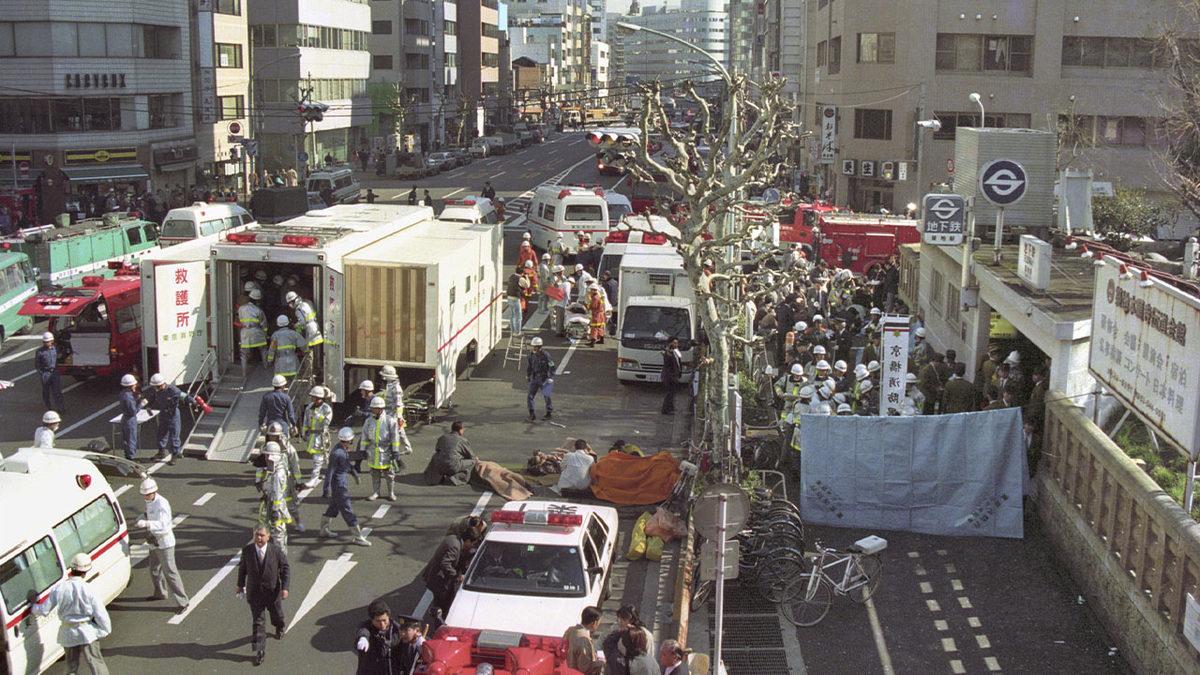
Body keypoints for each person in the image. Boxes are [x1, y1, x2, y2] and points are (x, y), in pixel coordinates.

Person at [32, 553, 112, 674]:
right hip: (87, 632)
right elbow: (100, 613)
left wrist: (33, 606)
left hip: (67, 633)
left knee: (71, 667)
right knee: (96, 663)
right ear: (85, 572)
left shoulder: (59, 588)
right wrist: (105, 630)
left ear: (71, 569)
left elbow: (43, 610)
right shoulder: (88, 589)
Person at [236, 526, 290, 667]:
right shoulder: (247, 550)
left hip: (272, 592)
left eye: (262, 535)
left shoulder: (275, 551)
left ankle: (279, 626)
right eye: (256, 535)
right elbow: (243, 569)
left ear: (268, 536)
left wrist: (285, 588)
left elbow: (285, 568)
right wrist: (240, 585)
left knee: (277, 614)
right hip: (255, 593)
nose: (259, 538)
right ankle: (260, 650)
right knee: (258, 622)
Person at [136, 478, 189, 610]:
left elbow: (164, 525)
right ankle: (160, 593)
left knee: (170, 572)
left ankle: (183, 602)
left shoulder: (162, 504)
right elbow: (150, 513)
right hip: (154, 541)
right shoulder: (150, 501)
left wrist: (147, 523)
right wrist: (143, 516)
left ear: (154, 492)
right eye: (144, 495)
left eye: (147, 495)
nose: (145, 497)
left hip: (164, 543)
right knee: (154, 569)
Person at [421, 521, 483, 626]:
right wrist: (457, 576)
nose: (472, 546)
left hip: (436, 578)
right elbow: (445, 564)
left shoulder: (453, 538)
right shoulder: (455, 547)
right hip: (439, 581)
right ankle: (440, 625)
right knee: (443, 605)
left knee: (441, 603)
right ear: (468, 540)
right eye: (472, 543)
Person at [321, 427, 371, 546]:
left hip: (341, 484)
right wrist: (325, 489)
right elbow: (329, 472)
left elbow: (347, 464)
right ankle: (358, 536)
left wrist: (355, 474)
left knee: (333, 507)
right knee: (347, 509)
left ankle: (323, 530)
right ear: (350, 440)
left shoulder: (341, 449)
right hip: (339, 486)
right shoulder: (337, 453)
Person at [145, 373, 198, 465]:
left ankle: (175, 454)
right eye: (154, 387)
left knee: (174, 435)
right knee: (161, 433)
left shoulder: (173, 390)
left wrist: (193, 401)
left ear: (162, 384)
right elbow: (153, 397)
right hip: (163, 414)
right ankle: (161, 452)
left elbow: (184, 396)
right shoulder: (156, 390)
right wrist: (149, 405)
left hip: (173, 415)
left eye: (157, 387)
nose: (155, 388)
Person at [363, 396, 402, 501]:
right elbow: (364, 436)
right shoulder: (369, 421)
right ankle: (376, 493)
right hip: (373, 451)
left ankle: (391, 493)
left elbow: (395, 437)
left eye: (374, 408)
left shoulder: (390, 420)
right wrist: (362, 449)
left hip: (386, 451)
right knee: (374, 473)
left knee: (389, 474)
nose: (372, 410)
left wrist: (395, 451)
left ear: (380, 409)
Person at [354, 600, 409, 674]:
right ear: (372, 620)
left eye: (384, 620)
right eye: (378, 621)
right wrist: (363, 638)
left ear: (388, 617)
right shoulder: (366, 627)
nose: (382, 624)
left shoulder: (397, 630)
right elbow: (363, 631)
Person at [258, 442, 293, 552]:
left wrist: (275, 510)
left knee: (278, 533)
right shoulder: (274, 468)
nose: (266, 458)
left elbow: (277, 494)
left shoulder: (278, 474)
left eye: (267, 455)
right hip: (270, 503)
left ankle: (281, 556)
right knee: (271, 531)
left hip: (276, 507)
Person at [423, 420, 477, 485]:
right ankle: (457, 479)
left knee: (435, 456)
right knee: (473, 462)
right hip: (453, 466)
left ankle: (433, 477)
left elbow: (437, 449)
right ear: (460, 430)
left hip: (440, 465)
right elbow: (471, 456)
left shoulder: (442, 438)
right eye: (463, 429)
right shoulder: (462, 440)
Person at [301, 386, 334, 487]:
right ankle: (329, 474)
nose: (311, 398)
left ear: (319, 397)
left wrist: (319, 416)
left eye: (313, 396)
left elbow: (327, 422)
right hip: (312, 437)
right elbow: (306, 421)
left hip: (321, 436)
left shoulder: (326, 408)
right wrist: (304, 432)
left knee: (318, 459)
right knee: (321, 458)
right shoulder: (309, 407)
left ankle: (314, 479)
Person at [379, 365, 415, 455]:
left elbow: (399, 404)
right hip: (388, 412)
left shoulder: (396, 388)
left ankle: (400, 449)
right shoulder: (390, 385)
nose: (383, 378)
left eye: (384, 375)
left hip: (393, 413)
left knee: (396, 431)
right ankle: (407, 448)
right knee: (399, 431)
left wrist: (399, 417)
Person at [563, 606, 604, 675]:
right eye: (599, 622)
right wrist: (600, 662)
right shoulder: (584, 640)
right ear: (594, 623)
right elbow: (584, 667)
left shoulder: (571, 630)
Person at [238, 290, 269, 377]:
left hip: (245, 333)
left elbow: (240, 320)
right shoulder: (259, 310)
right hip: (257, 332)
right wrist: (265, 335)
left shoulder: (241, 308)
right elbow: (264, 324)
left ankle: (244, 373)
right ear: (257, 300)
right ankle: (266, 366)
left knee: (244, 354)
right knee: (263, 350)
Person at [526, 336, 555, 421]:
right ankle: (532, 414)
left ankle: (549, 413)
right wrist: (528, 375)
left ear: (539, 347)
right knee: (530, 396)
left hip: (544, 378)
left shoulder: (546, 355)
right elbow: (529, 366)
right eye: (532, 346)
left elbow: (552, 366)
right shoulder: (531, 355)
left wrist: (551, 377)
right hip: (535, 378)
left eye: (534, 346)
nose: (533, 348)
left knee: (547, 396)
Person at [35, 331, 64, 411]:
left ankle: (60, 407)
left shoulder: (56, 349)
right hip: (46, 373)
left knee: (57, 391)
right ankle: (47, 407)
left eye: (48, 341)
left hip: (55, 372)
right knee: (46, 392)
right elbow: (37, 364)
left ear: (52, 341)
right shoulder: (40, 352)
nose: (46, 343)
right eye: (45, 342)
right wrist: (42, 374)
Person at [661, 337, 683, 415]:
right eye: (674, 343)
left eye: (677, 343)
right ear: (670, 343)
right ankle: (666, 409)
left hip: (675, 375)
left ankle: (671, 408)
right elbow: (667, 362)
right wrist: (668, 351)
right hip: (669, 376)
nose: (676, 344)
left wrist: (679, 373)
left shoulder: (676, 352)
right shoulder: (668, 352)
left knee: (673, 393)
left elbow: (678, 363)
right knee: (669, 393)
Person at [505, 266, 526, 335]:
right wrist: (526, 277)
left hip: (509, 297)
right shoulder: (520, 278)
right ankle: (517, 332)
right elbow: (527, 285)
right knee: (518, 316)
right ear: (522, 273)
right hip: (515, 298)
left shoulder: (511, 276)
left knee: (512, 315)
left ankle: (512, 330)